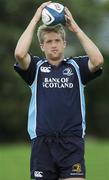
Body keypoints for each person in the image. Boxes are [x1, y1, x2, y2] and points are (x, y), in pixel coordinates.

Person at [14, 1, 104, 180]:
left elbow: (98, 60)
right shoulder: (36, 68)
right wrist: (35, 19)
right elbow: (19, 54)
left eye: (57, 41)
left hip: (72, 142)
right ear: (42, 46)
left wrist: (76, 29)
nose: (53, 45)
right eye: (48, 42)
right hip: (43, 142)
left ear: (64, 43)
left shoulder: (77, 67)